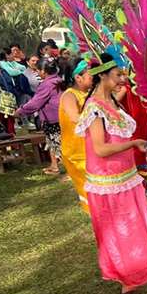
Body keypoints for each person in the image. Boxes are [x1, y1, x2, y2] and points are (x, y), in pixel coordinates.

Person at [75, 52, 147, 294]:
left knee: (138, 230)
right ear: (103, 76)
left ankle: (136, 272)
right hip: (108, 185)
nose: (124, 78)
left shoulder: (111, 102)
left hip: (127, 178)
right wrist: (133, 143)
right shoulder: (94, 109)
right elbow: (99, 149)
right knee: (121, 235)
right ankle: (127, 285)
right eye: (118, 75)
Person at [16, 57, 64, 175]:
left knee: (59, 144)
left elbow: (35, 103)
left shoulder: (47, 84)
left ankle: (70, 170)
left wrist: (20, 111)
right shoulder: (58, 80)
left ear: (43, 71)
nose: (37, 73)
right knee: (51, 141)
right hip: (56, 117)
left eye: (37, 71)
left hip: (55, 118)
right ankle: (54, 166)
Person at [58, 58, 92, 211]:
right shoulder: (69, 95)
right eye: (91, 75)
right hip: (76, 153)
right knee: (89, 192)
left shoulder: (89, 94)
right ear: (78, 77)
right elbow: (74, 117)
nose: (95, 78)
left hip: (90, 149)